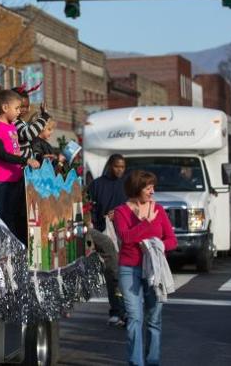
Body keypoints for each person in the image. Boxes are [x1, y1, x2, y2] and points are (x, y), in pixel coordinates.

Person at [113, 169, 177, 366]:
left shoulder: (159, 210)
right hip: (129, 268)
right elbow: (126, 237)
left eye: (153, 187)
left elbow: (172, 240)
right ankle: (136, 363)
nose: (152, 192)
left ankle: (152, 361)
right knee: (134, 319)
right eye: (148, 188)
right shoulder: (121, 212)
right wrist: (147, 223)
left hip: (154, 271)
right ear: (136, 188)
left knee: (154, 320)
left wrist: (158, 246)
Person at [0, 87, 40, 240]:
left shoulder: (12, 126)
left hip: (15, 179)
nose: (19, 111)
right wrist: (26, 160)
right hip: (0, 181)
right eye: (16, 108)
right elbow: (2, 154)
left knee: (14, 216)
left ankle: (15, 248)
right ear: (5, 108)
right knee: (0, 217)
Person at [87, 154, 128, 327]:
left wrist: (119, 213)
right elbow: (90, 207)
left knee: (124, 274)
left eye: (123, 167)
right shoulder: (97, 184)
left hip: (123, 233)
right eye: (117, 166)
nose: (120, 170)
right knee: (112, 273)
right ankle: (116, 310)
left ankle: (125, 311)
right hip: (104, 233)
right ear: (110, 165)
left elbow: (132, 208)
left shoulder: (126, 185)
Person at [12, 83, 50, 162]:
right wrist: (44, 117)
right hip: (20, 166)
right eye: (22, 106)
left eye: (27, 106)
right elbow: (29, 134)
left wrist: (39, 157)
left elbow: (27, 147)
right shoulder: (14, 123)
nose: (25, 110)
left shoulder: (20, 122)